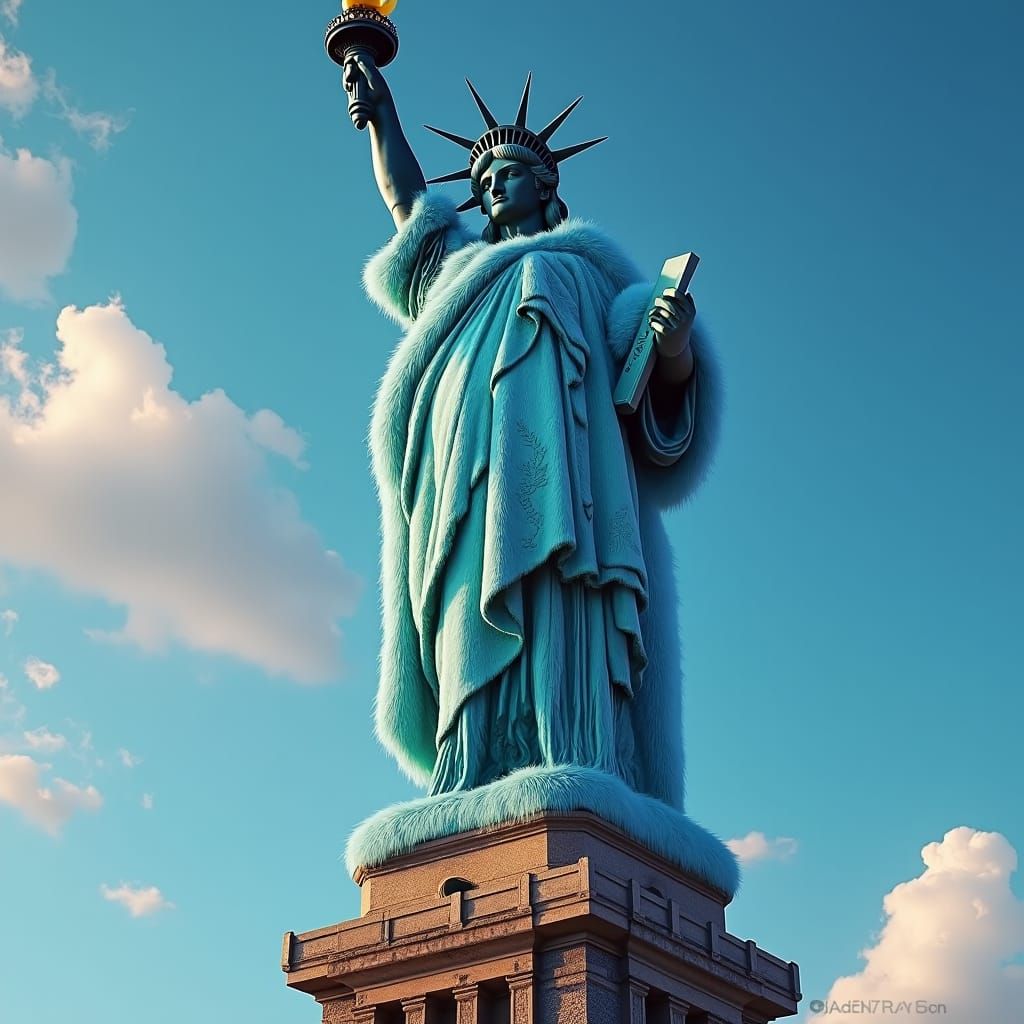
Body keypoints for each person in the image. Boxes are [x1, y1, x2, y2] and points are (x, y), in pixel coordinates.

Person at [345, 56, 721, 816]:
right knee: (467, 605)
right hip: (469, 481)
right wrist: (382, 116)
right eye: (481, 183)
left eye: (507, 173)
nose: (490, 189)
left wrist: (673, 342)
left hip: (575, 492)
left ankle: (578, 753)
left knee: (564, 607)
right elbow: (407, 203)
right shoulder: (461, 269)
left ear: (547, 183)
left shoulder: (588, 272)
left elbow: (650, 385)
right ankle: (472, 765)